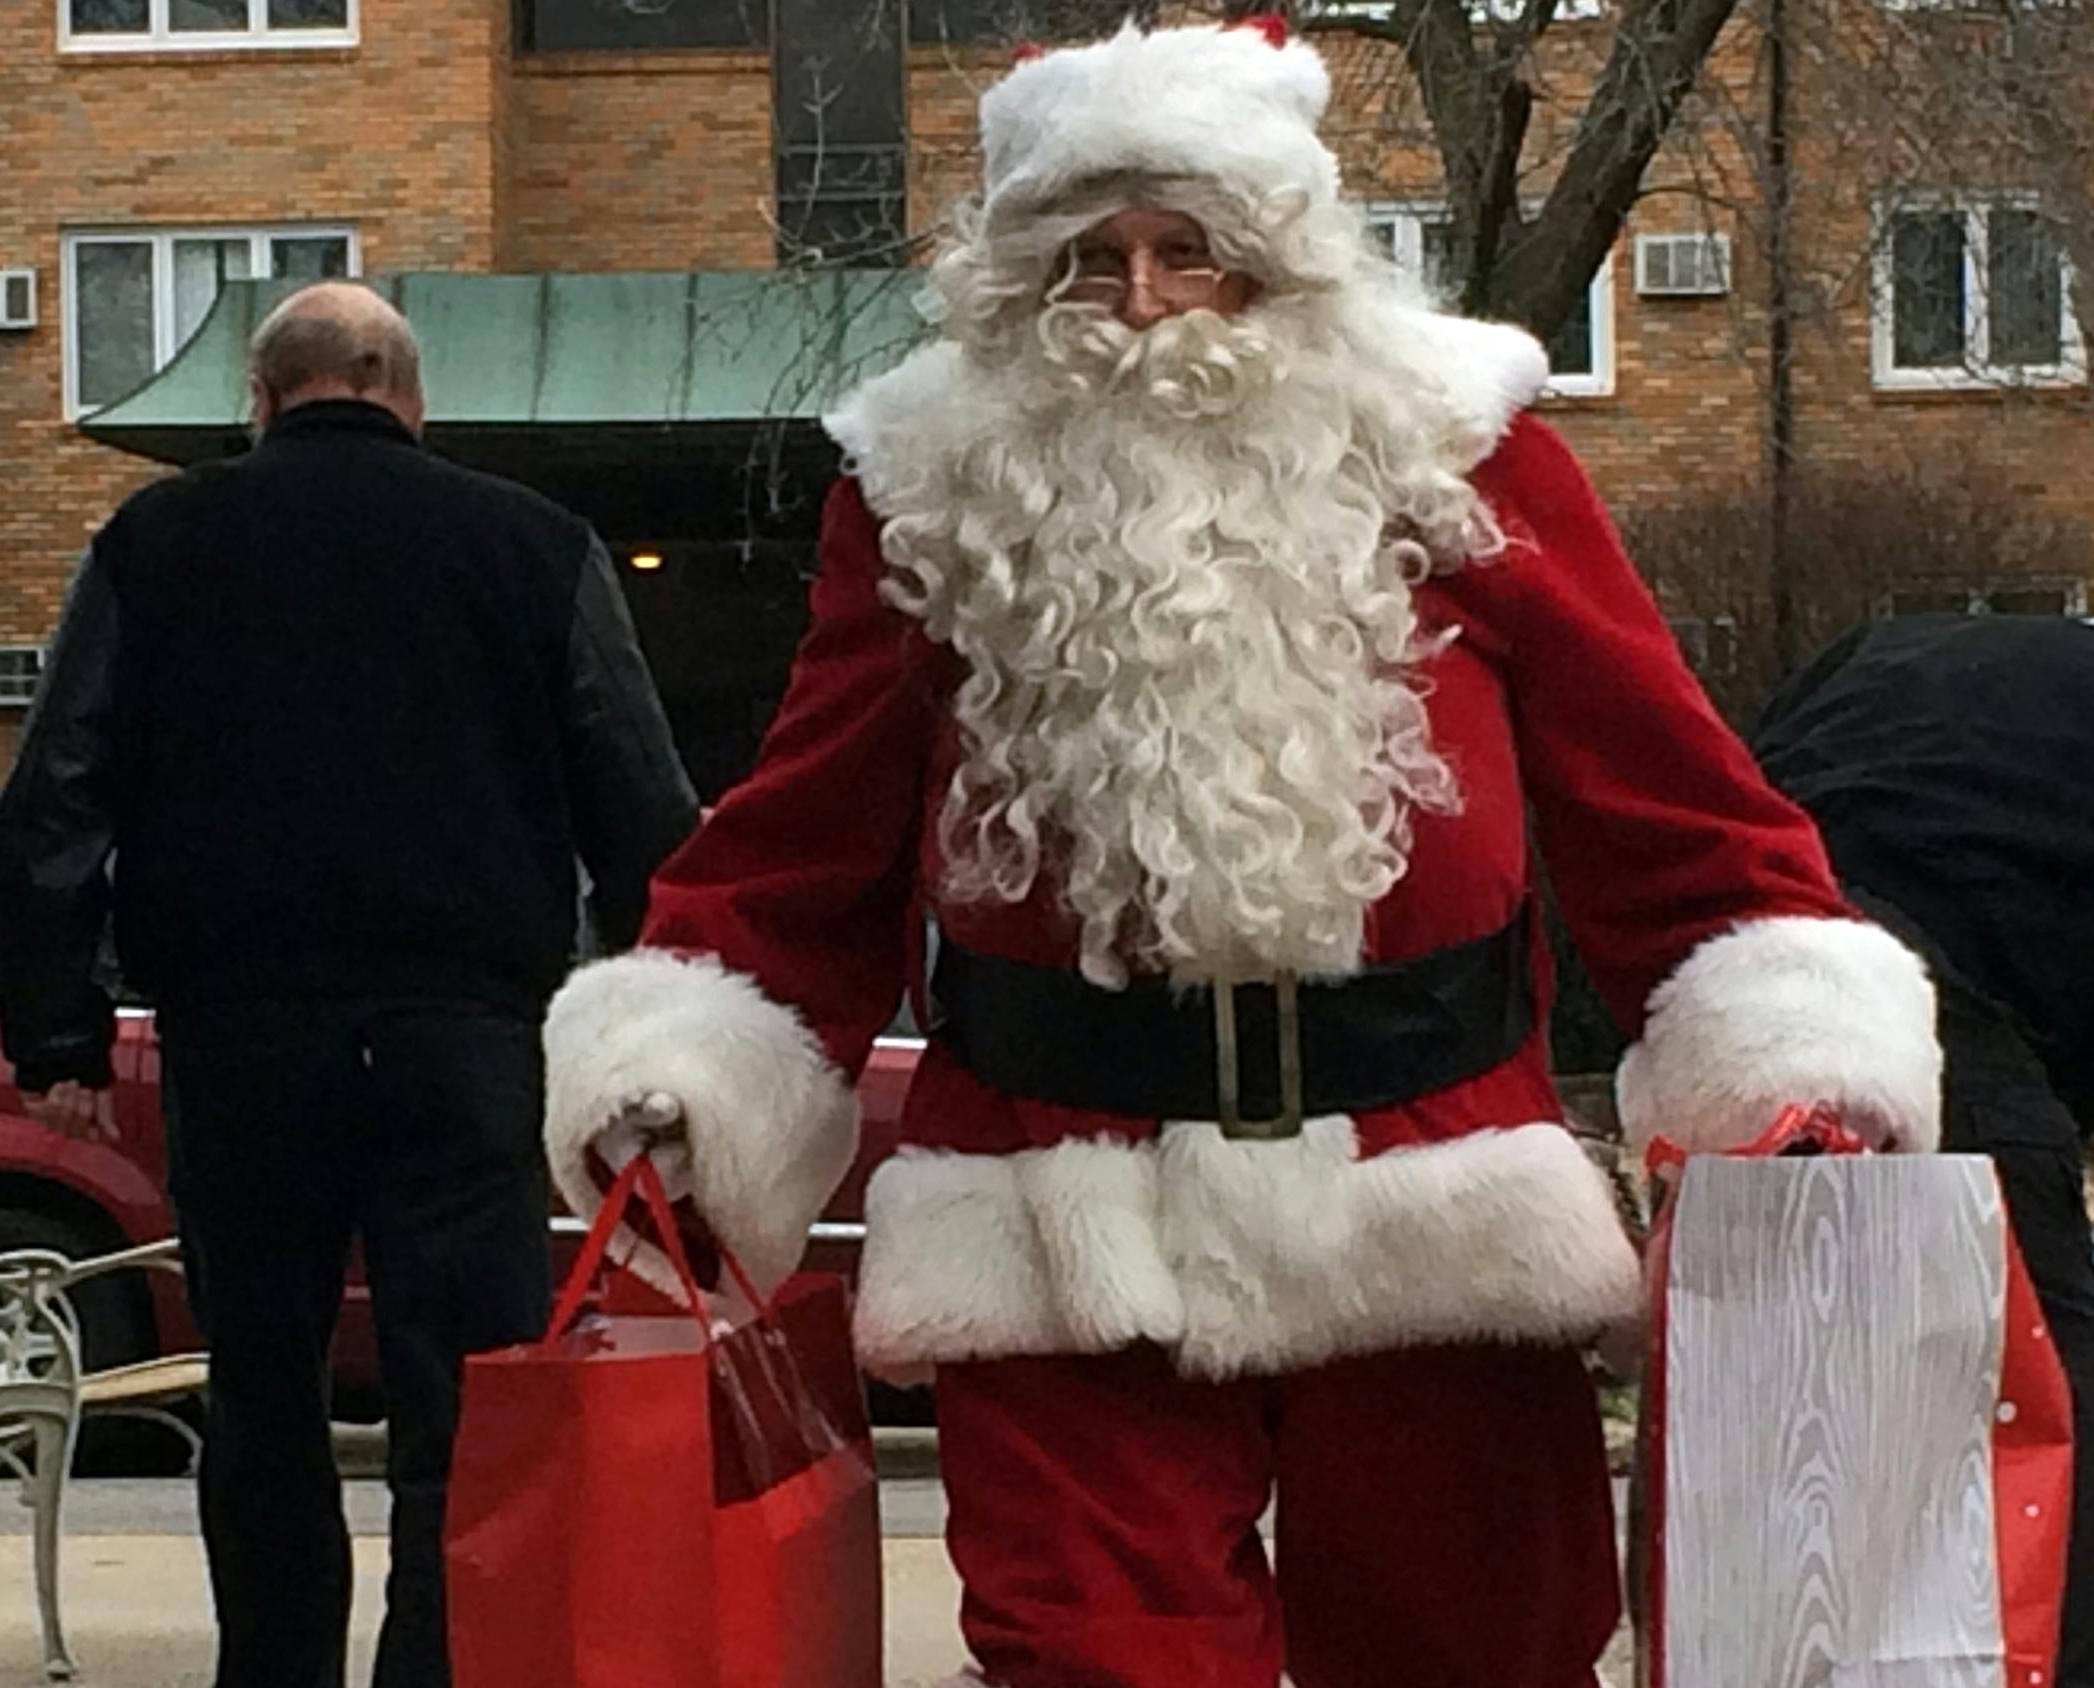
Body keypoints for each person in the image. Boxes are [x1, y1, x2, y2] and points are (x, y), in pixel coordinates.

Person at [543, 21, 1942, 1688]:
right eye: (1087, 261)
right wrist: (685, 1064)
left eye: (1187, 251)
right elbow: (805, 838)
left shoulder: (1461, 456)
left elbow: (1674, 807)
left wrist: (1796, 1049)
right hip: (1060, 1213)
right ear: (1016, 289)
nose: (1139, 303)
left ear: (1277, 270)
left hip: (1431, 1198)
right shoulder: (926, 495)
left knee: (1477, 1649)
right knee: (1094, 1655)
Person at [0, 281, 699, 1688]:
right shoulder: (535, 545)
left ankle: (277, 1667)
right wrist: (651, 1032)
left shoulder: (158, 541)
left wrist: (57, 1031)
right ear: (411, 397)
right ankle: (436, 1665)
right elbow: (642, 809)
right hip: (469, 1038)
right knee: (462, 1405)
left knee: (262, 1395)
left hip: (242, 1036)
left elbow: (55, 798)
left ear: (258, 402)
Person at [1752, 611, 2094, 1688]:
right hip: (1926, 991)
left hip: (1741, 967)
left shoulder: (1908, 650)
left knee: (1784, 1417)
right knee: (2053, 1421)